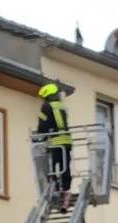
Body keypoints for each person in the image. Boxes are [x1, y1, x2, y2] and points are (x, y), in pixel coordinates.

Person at [36, 81, 73, 209]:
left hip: (55, 142)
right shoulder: (62, 107)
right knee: (65, 168)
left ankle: (55, 189)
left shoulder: (46, 107)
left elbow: (43, 126)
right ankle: (66, 192)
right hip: (66, 142)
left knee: (52, 168)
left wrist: (39, 137)